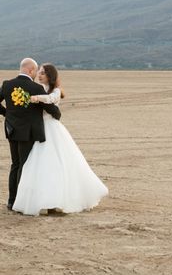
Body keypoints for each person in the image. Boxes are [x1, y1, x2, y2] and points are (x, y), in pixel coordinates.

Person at [11, 63, 108, 216]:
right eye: (39, 72)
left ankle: (58, 201)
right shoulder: (38, 88)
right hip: (40, 130)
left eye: (43, 73)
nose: (40, 75)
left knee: (58, 163)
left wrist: (36, 98)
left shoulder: (55, 91)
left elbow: (50, 99)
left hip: (53, 129)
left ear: (50, 75)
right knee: (40, 166)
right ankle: (44, 200)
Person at [0, 58, 61, 210]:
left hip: (11, 130)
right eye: (36, 71)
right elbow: (52, 111)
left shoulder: (7, 84)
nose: (36, 74)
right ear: (31, 71)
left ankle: (11, 201)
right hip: (29, 133)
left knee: (15, 165)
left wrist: (7, 114)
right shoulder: (35, 87)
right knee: (25, 165)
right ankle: (21, 203)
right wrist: (57, 111)